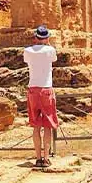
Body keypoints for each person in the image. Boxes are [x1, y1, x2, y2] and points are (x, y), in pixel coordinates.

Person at [23, 25, 59, 169]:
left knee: (36, 126)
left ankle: (37, 158)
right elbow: (53, 60)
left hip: (33, 89)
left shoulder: (27, 51)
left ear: (35, 37)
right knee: (48, 126)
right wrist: (47, 43)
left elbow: (28, 61)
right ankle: (46, 158)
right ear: (47, 37)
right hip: (46, 89)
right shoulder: (50, 50)